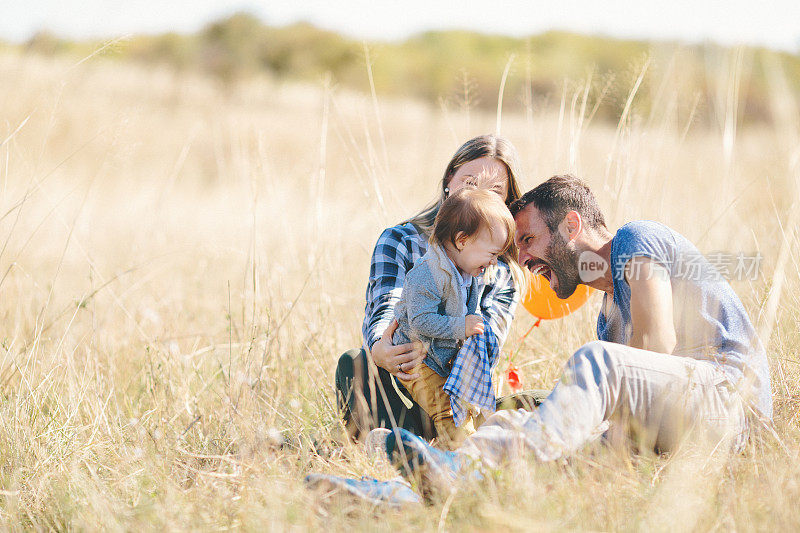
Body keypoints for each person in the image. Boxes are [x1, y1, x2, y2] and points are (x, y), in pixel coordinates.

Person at [375, 174, 772, 493]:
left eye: (528, 240)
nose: (524, 260)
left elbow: (657, 347)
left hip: (731, 406)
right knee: (507, 423)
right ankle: (398, 493)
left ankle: (467, 473)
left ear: (571, 224)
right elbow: (636, 409)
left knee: (596, 360)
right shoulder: (608, 319)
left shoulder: (637, 238)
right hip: (678, 425)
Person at [334, 134, 544, 442]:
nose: (480, 197)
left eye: (496, 191)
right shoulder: (401, 240)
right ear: (449, 180)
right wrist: (382, 348)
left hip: (460, 389)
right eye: (469, 183)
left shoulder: (503, 268)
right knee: (356, 363)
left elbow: (487, 344)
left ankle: (429, 443)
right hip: (403, 379)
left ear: (508, 202)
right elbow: (387, 304)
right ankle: (402, 443)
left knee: (542, 401)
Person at [391, 186, 517, 450]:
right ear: (462, 240)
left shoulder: (470, 272)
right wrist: (462, 327)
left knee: (465, 404)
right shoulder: (426, 274)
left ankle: (465, 443)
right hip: (418, 359)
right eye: (492, 254)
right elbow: (420, 321)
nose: (494, 262)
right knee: (446, 410)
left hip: (442, 357)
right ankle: (462, 453)